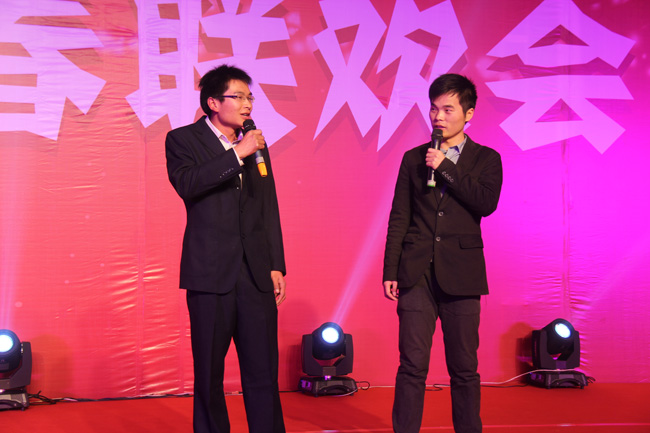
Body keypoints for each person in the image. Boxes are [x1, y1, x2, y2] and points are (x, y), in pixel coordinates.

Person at [165, 64, 287, 433]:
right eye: (239, 97)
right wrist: (236, 155)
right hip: (210, 273)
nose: (248, 104)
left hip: (255, 274)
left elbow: (267, 206)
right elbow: (188, 184)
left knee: (263, 371)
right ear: (213, 103)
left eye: (250, 97)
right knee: (209, 373)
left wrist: (276, 263)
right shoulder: (182, 140)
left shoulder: (256, 144)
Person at [383, 73, 503, 433]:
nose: (438, 116)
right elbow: (400, 216)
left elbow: (485, 203)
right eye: (434, 108)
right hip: (416, 272)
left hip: (462, 275)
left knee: (464, 368)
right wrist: (391, 269)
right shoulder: (413, 159)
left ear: (469, 113)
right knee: (412, 365)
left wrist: (445, 167)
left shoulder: (487, 158)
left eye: (448, 109)